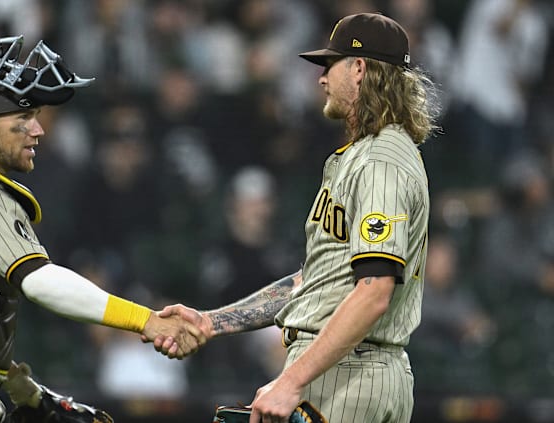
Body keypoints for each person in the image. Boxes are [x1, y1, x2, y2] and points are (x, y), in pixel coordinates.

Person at [0, 35, 204, 423]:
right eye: (22, 118)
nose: (37, 130)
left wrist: (22, 389)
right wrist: (145, 320)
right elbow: (41, 283)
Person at [151, 12, 440, 423]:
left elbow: (374, 291)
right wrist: (212, 322)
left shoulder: (381, 161)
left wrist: (291, 381)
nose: (322, 79)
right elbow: (315, 282)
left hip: (349, 373)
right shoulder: (362, 157)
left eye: (330, 65)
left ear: (359, 69)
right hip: (342, 366)